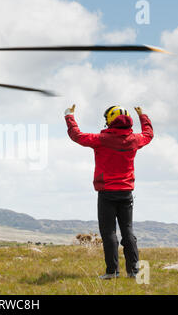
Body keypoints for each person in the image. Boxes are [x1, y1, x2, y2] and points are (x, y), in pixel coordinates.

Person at [64, 104, 153, 279]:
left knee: (109, 233)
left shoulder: (101, 139)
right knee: (128, 232)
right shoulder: (134, 140)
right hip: (126, 192)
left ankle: (112, 272)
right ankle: (134, 272)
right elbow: (149, 135)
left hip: (106, 192)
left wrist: (69, 116)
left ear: (110, 121)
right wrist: (143, 116)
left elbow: (77, 136)